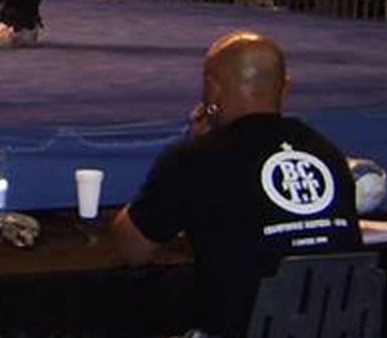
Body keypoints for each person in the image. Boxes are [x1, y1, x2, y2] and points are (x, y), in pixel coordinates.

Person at [111, 30, 361, 338]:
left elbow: (131, 249)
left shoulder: (195, 158)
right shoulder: (329, 154)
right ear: (284, 88)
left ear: (212, 88)